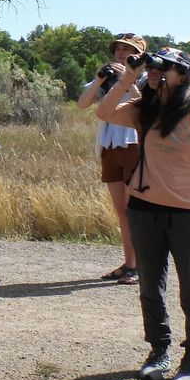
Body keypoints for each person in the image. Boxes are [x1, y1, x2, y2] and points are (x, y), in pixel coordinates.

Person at [97, 48, 190, 380]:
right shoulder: (144, 109)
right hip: (144, 210)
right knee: (150, 288)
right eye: (157, 67)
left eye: (167, 69)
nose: (159, 73)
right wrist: (131, 74)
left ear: (183, 76)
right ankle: (159, 351)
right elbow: (104, 111)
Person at [77, 33, 149, 285]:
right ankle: (130, 263)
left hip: (133, 145)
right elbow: (83, 103)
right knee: (122, 211)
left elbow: (143, 101)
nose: (120, 53)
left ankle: (140, 265)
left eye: (127, 49)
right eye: (118, 49)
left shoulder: (146, 77)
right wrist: (99, 78)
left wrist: (127, 79)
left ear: (139, 54)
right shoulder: (109, 78)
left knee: (134, 210)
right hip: (110, 146)